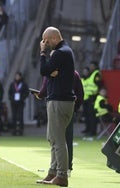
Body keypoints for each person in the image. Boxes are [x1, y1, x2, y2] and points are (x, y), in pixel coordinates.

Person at [36, 26, 75, 187]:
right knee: (53, 138)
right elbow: (49, 72)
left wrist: (43, 53)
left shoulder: (60, 53)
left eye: (45, 40)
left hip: (59, 101)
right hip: (61, 100)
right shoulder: (65, 52)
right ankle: (53, 172)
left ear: (52, 38)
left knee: (58, 140)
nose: (44, 43)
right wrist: (50, 70)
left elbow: (44, 70)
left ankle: (61, 175)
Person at [33, 70, 84, 178]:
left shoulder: (50, 72)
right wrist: (75, 108)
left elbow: (44, 91)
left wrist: (39, 95)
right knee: (67, 139)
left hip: (55, 106)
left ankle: (57, 170)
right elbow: (80, 93)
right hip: (69, 107)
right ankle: (68, 167)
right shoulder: (74, 73)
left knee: (55, 139)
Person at [81, 61, 102, 138]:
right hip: (87, 98)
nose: (91, 67)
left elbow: (98, 85)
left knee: (92, 116)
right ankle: (89, 129)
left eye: (92, 66)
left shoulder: (96, 74)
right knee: (88, 115)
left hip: (93, 97)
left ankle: (93, 131)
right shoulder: (89, 75)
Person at [8, 71, 29, 136]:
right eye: (16, 76)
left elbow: (26, 92)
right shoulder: (12, 84)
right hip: (13, 103)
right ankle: (14, 130)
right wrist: (11, 99)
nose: (17, 77)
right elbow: (9, 93)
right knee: (14, 116)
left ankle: (20, 130)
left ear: (20, 77)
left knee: (20, 116)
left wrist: (22, 98)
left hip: (21, 102)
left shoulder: (24, 84)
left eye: (18, 76)